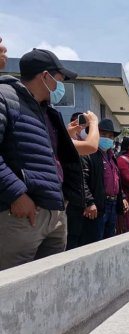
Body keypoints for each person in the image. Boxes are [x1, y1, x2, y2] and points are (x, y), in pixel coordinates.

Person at [0, 48, 84, 270]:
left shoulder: (47, 112)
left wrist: (63, 201)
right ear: (45, 76)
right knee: (13, 291)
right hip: (22, 217)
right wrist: (16, 193)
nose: (61, 86)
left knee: (50, 287)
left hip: (54, 215)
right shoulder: (5, 98)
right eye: (59, 79)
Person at [76, 119, 129, 246]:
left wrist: (122, 197)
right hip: (98, 205)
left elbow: (116, 179)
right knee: (94, 243)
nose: (107, 138)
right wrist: (89, 202)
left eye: (110, 136)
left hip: (112, 204)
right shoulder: (88, 154)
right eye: (103, 135)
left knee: (108, 242)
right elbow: (82, 179)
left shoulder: (112, 157)